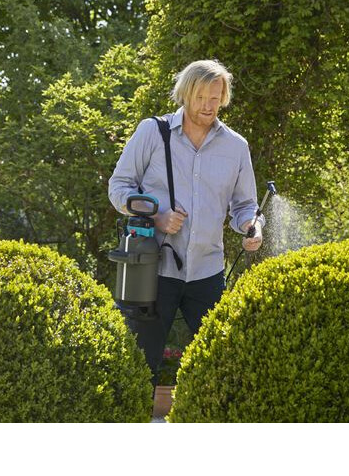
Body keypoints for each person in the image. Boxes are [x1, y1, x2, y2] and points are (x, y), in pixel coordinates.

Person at [108, 59, 264, 386]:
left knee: (223, 367)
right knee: (139, 369)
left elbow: (245, 205)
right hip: (152, 271)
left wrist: (252, 226)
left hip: (208, 273)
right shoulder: (152, 132)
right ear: (185, 94)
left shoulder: (236, 147)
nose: (208, 106)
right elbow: (119, 187)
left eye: (215, 98)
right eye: (200, 98)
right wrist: (157, 215)